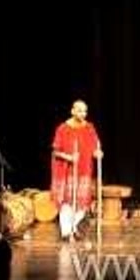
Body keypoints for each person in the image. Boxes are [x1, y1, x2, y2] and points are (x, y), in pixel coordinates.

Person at [50, 99, 103, 240]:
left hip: (84, 170)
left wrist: (97, 153)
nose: (83, 114)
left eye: (85, 111)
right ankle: (66, 232)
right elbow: (55, 152)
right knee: (67, 202)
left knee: (82, 203)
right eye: (79, 110)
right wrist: (69, 157)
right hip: (67, 171)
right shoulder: (63, 128)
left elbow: (95, 147)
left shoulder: (90, 128)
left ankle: (73, 227)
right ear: (72, 111)